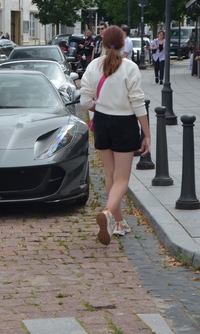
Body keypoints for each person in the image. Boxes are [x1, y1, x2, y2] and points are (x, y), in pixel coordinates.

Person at [80, 25, 151, 246]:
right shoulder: (130, 68)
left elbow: (84, 101)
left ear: (102, 43)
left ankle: (118, 222)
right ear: (123, 43)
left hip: (101, 121)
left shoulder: (93, 66)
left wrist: (99, 107)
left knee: (110, 175)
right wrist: (147, 134)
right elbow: (138, 103)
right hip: (124, 123)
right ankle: (109, 214)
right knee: (122, 178)